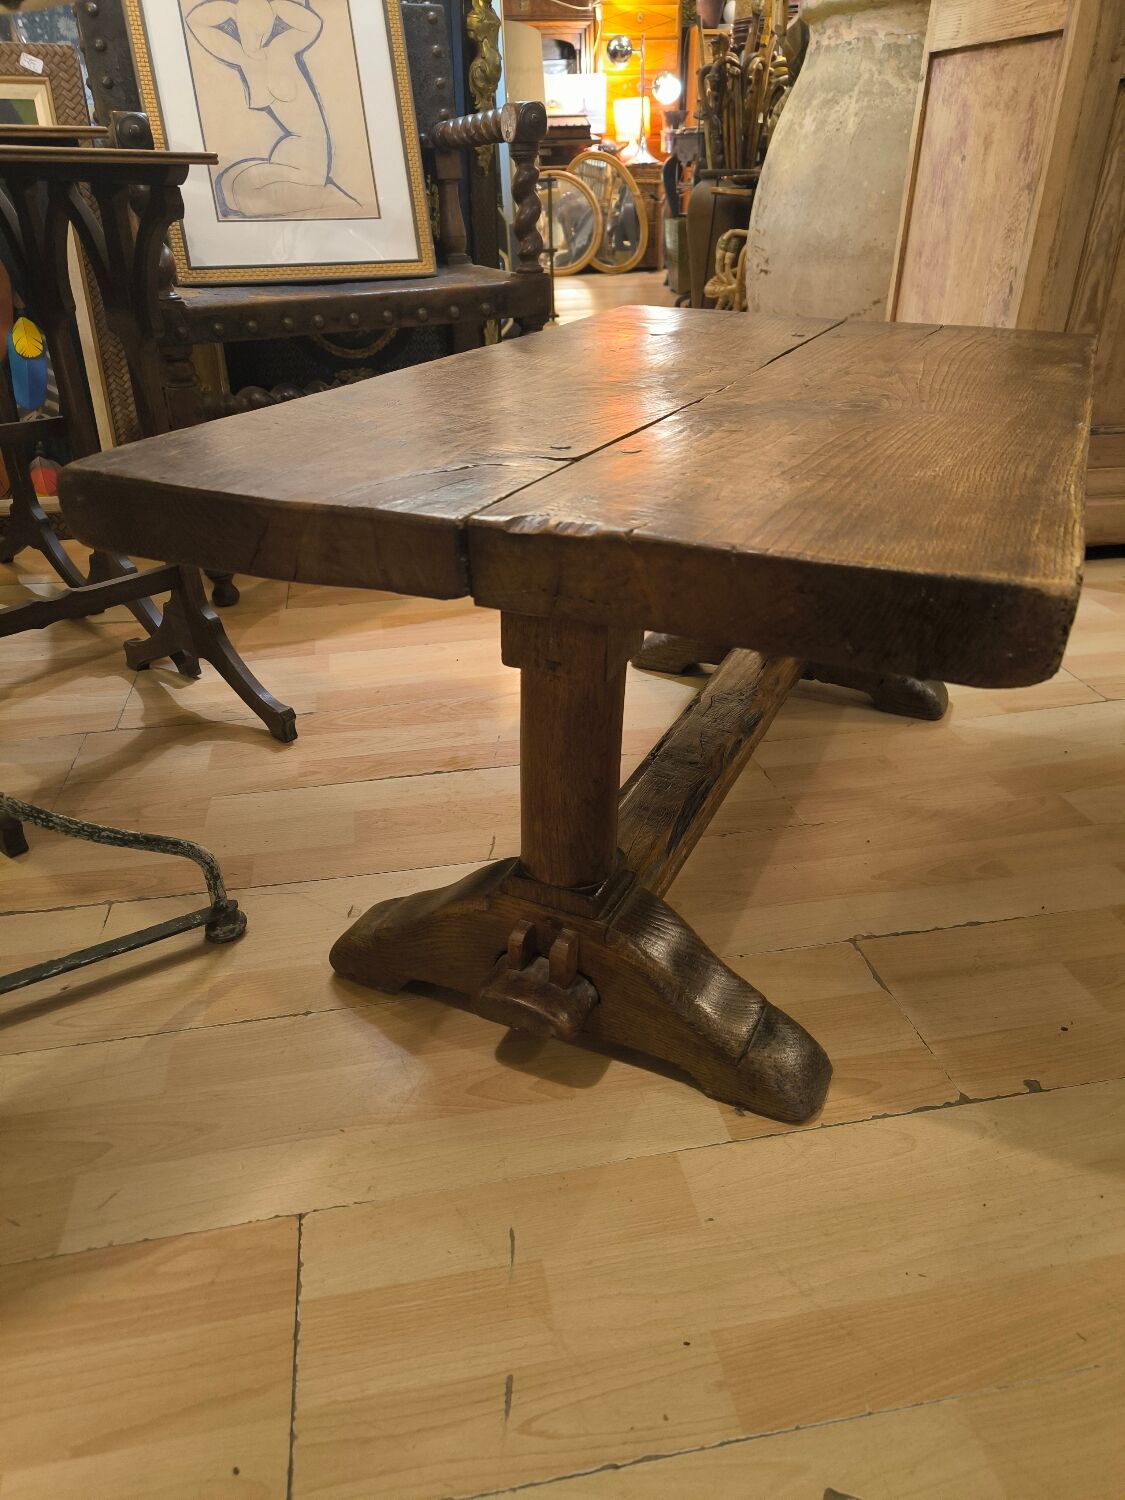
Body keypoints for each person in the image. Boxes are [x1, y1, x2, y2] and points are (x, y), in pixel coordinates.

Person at [185, 0, 362, 218]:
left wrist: (276, 5)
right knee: (229, 185)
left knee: (248, 199)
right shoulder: (242, 58)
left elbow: (312, 24)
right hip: (285, 153)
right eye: (247, 28)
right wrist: (230, 9)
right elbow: (195, 21)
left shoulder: (283, 48)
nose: (254, 37)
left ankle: (326, 194)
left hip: (310, 157)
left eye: (260, 29)